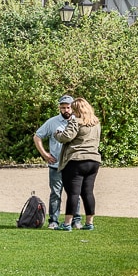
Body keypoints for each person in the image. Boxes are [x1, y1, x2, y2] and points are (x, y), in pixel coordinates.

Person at [32, 95, 83, 230]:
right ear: (59, 108)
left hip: (73, 164)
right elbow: (37, 136)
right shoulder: (52, 122)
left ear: (72, 107)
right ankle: (53, 221)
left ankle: (76, 220)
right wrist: (44, 154)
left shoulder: (79, 121)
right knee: (55, 193)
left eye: (68, 107)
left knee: (74, 194)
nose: (66, 110)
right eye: (63, 107)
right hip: (56, 164)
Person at [54, 97, 102, 231]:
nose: (72, 112)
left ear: (77, 109)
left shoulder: (76, 121)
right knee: (88, 192)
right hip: (93, 160)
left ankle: (67, 224)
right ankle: (89, 223)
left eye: (73, 109)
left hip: (76, 160)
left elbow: (66, 137)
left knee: (73, 193)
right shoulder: (96, 122)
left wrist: (57, 134)